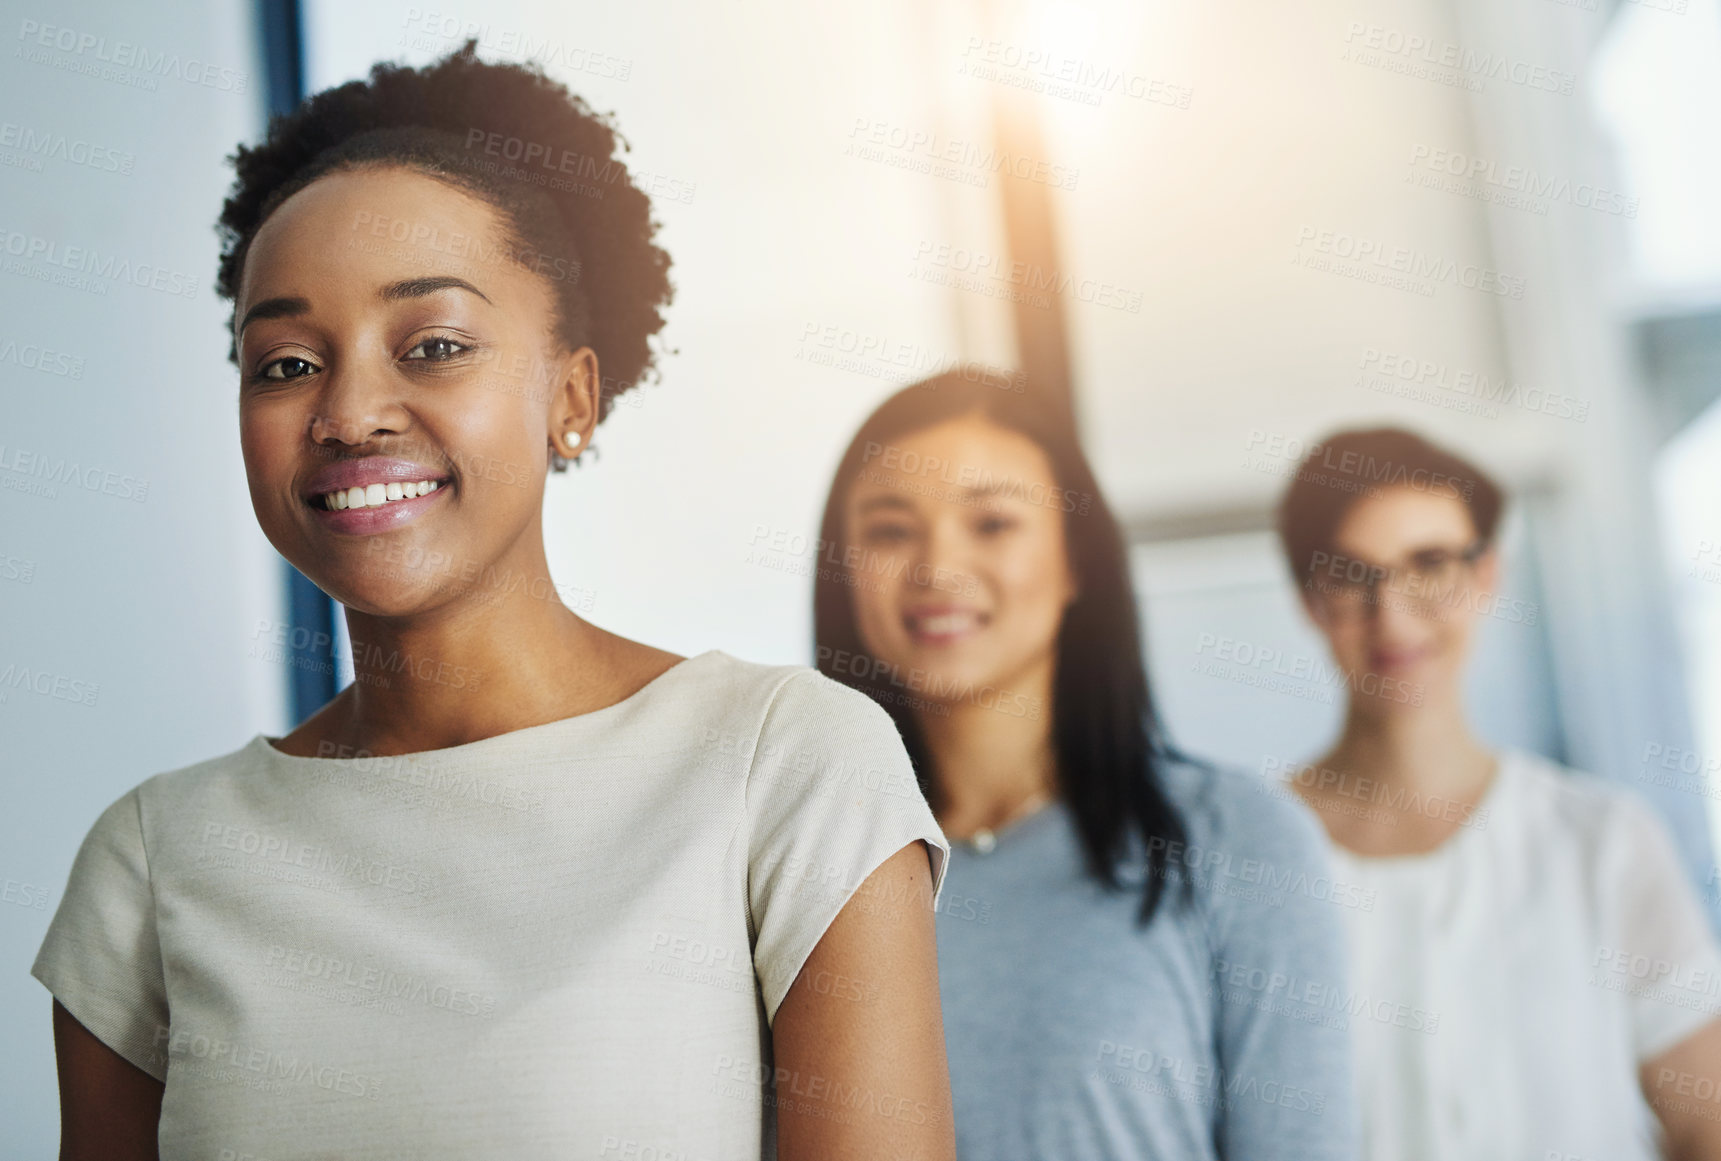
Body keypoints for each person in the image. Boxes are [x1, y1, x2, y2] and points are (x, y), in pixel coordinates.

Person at [31, 42, 955, 1161]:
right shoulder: (150, 859)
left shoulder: (784, 766)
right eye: (283, 364)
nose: (349, 412)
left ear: (570, 397)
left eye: (433, 345)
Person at [810, 369, 1359, 1159]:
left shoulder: (1236, 840)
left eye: (991, 523)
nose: (937, 567)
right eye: (891, 530)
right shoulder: (802, 864)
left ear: (1074, 562)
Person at [1275, 425, 1721, 1161]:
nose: (1393, 612)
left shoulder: (1601, 839)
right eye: (1350, 574)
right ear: (1309, 601)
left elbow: (1704, 1122)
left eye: (1428, 563)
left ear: (1486, 577)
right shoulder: (1245, 856)